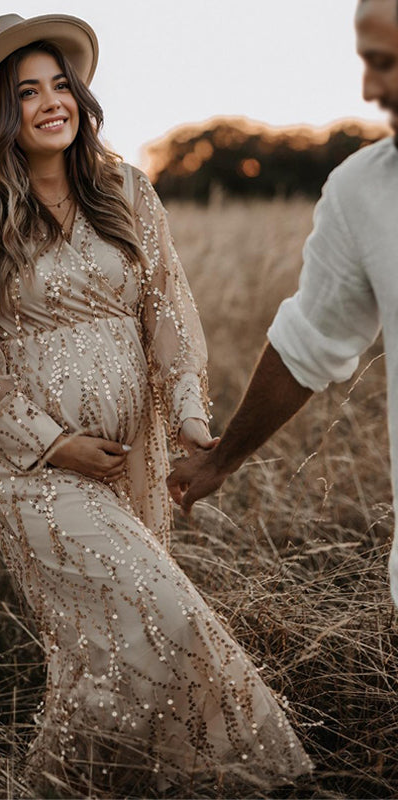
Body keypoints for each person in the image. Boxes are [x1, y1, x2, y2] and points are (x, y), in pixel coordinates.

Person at [0, 13, 312, 794]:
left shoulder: (126, 191)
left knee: (109, 646)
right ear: (3, 113)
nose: (51, 102)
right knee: (166, 616)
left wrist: (191, 422)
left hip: (130, 457)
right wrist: (49, 441)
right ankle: (254, 779)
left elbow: (169, 313)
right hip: (30, 466)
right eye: (27, 91)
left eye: (60, 84)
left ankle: (79, 785)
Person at [168, 0, 398, 609]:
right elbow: (309, 343)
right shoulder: (364, 192)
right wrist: (224, 460)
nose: (371, 88)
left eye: (386, 63)